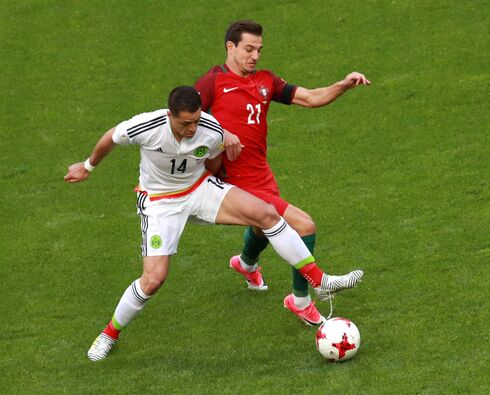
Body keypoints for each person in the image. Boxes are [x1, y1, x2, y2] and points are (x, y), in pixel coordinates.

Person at [64, 86, 363, 361]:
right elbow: (110, 137)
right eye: (185, 123)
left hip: (198, 189)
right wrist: (88, 166)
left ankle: (319, 281)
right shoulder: (147, 126)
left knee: (267, 214)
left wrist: (222, 166)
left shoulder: (210, 129)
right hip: (159, 203)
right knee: (154, 279)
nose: (193, 128)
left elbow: (214, 164)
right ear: (170, 116)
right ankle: (109, 334)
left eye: (196, 120)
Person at [194, 20, 371, 326]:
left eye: (259, 50)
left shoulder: (266, 80)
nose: (255, 56)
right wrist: (220, 133)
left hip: (261, 174)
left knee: (264, 227)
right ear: (230, 47)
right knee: (304, 225)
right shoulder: (211, 83)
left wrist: (343, 84)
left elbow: (311, 98)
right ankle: (301, 301)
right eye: (249, 49)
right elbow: (184, 123)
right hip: (233, 182)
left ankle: (246, 263)